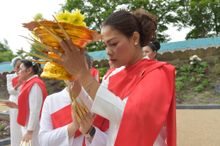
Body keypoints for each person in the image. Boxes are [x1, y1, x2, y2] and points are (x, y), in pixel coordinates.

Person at [57, 8, 176, 146]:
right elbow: (91, 106)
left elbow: (128, 116)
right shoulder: (114, 74)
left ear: (135, 38)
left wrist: (84, 74)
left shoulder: (157, 74)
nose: (108, 51)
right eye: (106, 45)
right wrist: (73, 76)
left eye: (113, 44)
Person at [17, 59, 48, 146]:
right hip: (30, 125)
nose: (18, 72)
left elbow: (35, 109)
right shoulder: (30, 83)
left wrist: (30, 131)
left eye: (20, 69)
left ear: (29, 70)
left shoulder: (35, 84)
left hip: (34, 127)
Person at [6, 56, 22, 146]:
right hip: (14, 102)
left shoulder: (26, 76)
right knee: (16, 125)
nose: (19, 68)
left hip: (24, 101)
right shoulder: (10, 76)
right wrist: (18, 84)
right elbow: (10, 91)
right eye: (17, 66)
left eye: (21, 66)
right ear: (14, 67)